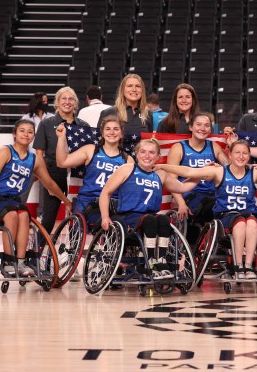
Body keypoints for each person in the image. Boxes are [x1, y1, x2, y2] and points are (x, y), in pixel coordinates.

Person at [155, 141, 257, 279]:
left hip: (247, 215)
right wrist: (164, 167)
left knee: (252, 223)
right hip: (226, 217)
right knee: (241, 222)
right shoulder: (219, 171)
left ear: (249, 156)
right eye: (237, 153)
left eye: (245, 153)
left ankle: (248, 267)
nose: (241, 156)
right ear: (230, 155)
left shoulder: (254, 173)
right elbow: (190, 171)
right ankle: (237, 265)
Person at [0, 119, 71, 277]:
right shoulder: (4, 152)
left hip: (12, 201)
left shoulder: (35, 159)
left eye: (30, 131)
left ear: (33, 136)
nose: (26, 134)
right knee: (11, 216)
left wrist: (66, 202)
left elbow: (50, 184)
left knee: (25, 216)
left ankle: (20, 262)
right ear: (14, 134)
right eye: (22, 130)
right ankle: (8, 261)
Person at [98, 138, 199, 280]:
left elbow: (183, 187)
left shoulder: (160, 174)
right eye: (143, 152)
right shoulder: (127, 169)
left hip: (151, 218)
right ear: (136, 154)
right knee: (151, 219)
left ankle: (161, 262)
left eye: (152, 153)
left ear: (158, 157)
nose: (147, 156)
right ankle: (150, 262)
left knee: (163, 218)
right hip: (127, 218)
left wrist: (201, 175)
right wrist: (105, 216)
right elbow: (105, 193)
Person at [55, 114, 132, 226]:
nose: (112, 132)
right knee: (77, 231)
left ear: (121, 134)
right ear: (102, 133)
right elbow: (62, 162)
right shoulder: (91, 150)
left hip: (113, 203)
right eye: (108, 129)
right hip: (88, 200)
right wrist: (61, 138)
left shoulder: (128, 160)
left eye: (116, 129)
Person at [164, 112, 230, 241]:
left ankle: (225, 241)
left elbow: (231, 171)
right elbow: (172, 181)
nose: (202, 128)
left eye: (206, 125)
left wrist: (221, 166)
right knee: (217, 204)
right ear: (191, 127)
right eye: (198, 124)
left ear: (210, 129)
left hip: (211, 194)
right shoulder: (178, 148)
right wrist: (181, 203)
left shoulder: (214, 147)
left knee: (231, 203)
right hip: (190, 195)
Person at [33, 86, 90, 234]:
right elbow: (39, 155)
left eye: (71, 99)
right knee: (48, 218)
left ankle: (73, 253)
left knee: (77, 216)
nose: (67, 102)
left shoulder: (84, 126)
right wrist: (46, 181)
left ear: (76, 103)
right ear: (57, 103)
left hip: (77, 175)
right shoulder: (46, 124)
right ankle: (39, 251)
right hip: (53, 174)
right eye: (63, 99)